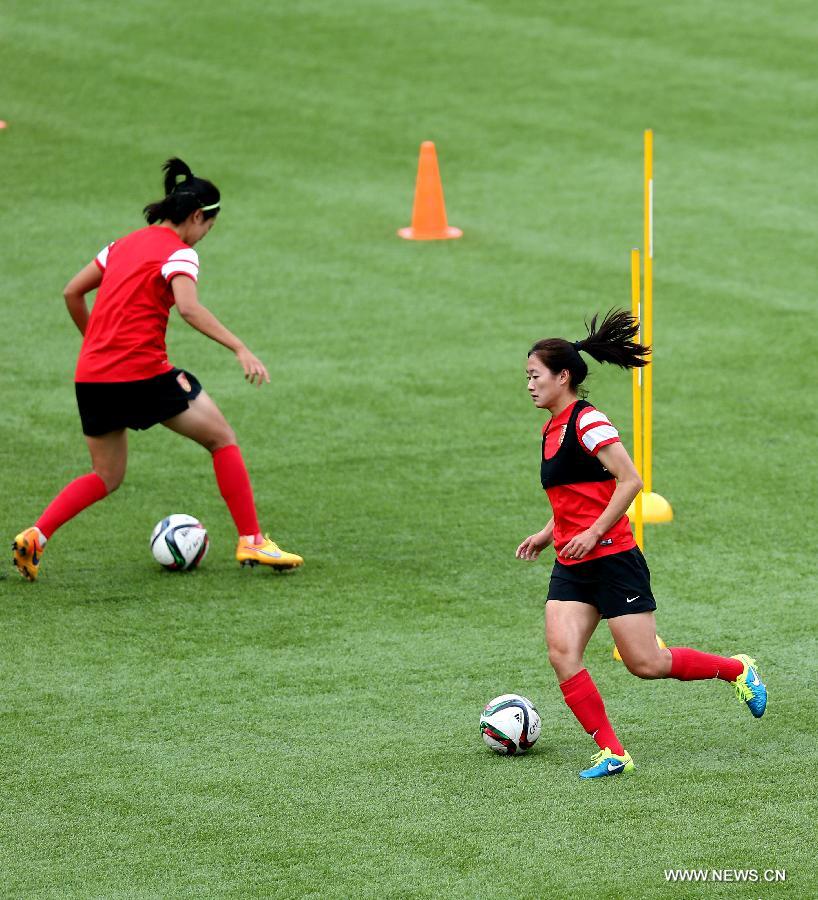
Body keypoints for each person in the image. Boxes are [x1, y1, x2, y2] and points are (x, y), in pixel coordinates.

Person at [12, 158, 303, 580]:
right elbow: (188, 307)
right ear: (198, 217)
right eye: (209, 227)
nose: (205, 237)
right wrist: (239, 347)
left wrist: (97, 343)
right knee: (222, 439)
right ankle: (252, 542)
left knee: (105, 476)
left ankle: (36, 535)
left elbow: (72, 292)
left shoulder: (122, 245)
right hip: (142, 374)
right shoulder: (179, 254)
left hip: (92, 377)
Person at [515, 309, 766, 778]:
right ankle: (613, 752)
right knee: (562, 654)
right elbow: (574, 494)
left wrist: (592, 532)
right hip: (573, 563)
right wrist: (548, 533)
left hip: (612, 559)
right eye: (526, 377)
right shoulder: (550, 427)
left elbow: (630, 481)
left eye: (535, 376)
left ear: (562, 376)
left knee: (646, 663)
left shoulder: (589, 423)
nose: (529, 385)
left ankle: (735, 669)